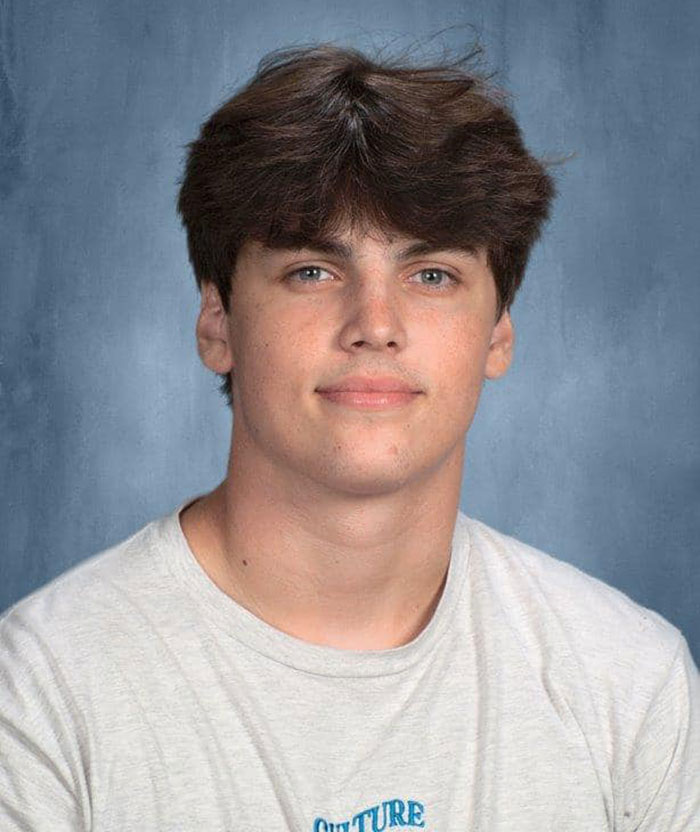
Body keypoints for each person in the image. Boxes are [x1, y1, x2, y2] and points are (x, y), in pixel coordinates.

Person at [1, 42, 698, 832]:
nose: (374, 325)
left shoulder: (629, 685)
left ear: (498, 334)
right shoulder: (41, 697)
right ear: (218, 321)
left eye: (431, 275)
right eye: (313, 271)